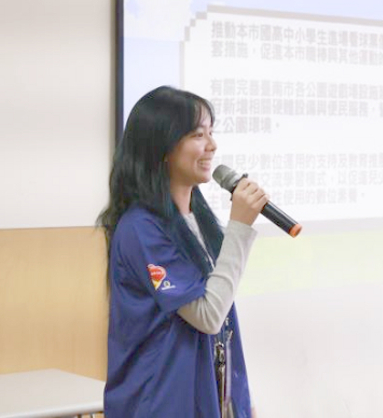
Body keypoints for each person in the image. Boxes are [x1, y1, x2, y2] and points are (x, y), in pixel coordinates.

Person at [98, 85, 267, 418]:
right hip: (160, 404)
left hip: (204, 399)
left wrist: (236, 402)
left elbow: (222, 316)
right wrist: (239, 228)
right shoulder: (141, 228)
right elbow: (207, 315)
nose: (211, 145)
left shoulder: (198, 219)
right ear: (162, 147)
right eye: (197, 134)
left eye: (211, 132)